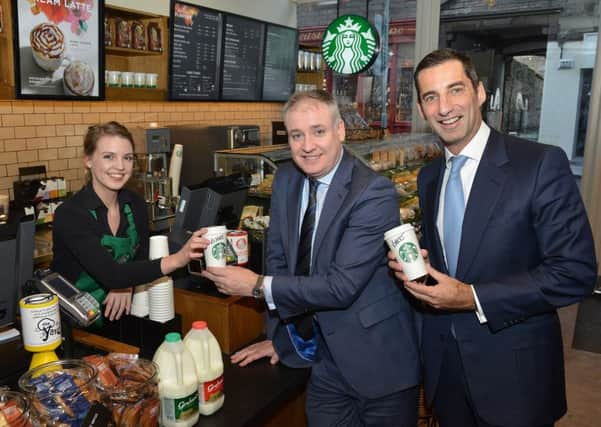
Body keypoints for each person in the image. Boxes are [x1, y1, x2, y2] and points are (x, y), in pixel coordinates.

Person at [388, 48, 597, 427]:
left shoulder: (539, 164)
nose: (445, 107)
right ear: (421, 109)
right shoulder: (429, 177)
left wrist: (471, 297)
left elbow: (575, 273)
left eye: (455, 90)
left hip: (513, 378)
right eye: (430, 97)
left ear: (480, 92)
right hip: (445, 371)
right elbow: (459, 259)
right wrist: (423, 268)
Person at [201, 90, 420, 426]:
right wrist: (282, 338)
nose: (307, 145)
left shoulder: (373, 192)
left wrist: (258, 287)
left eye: (318, 131)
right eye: (296, 135)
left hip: (377, 362)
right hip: (323, 363)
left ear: (340, 131)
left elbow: (341, 287)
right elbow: (279, 258)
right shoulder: (286, 179)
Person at [51, 121, 208, 324]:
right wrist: (178, 259)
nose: (120, 166)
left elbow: (139, 255)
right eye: (109, 157)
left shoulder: (134, 204)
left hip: (118, 315)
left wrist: (126, 284)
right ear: (88, 160)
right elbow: (111, 274)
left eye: (127, 158)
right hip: (73, 323)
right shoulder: (71, 214)